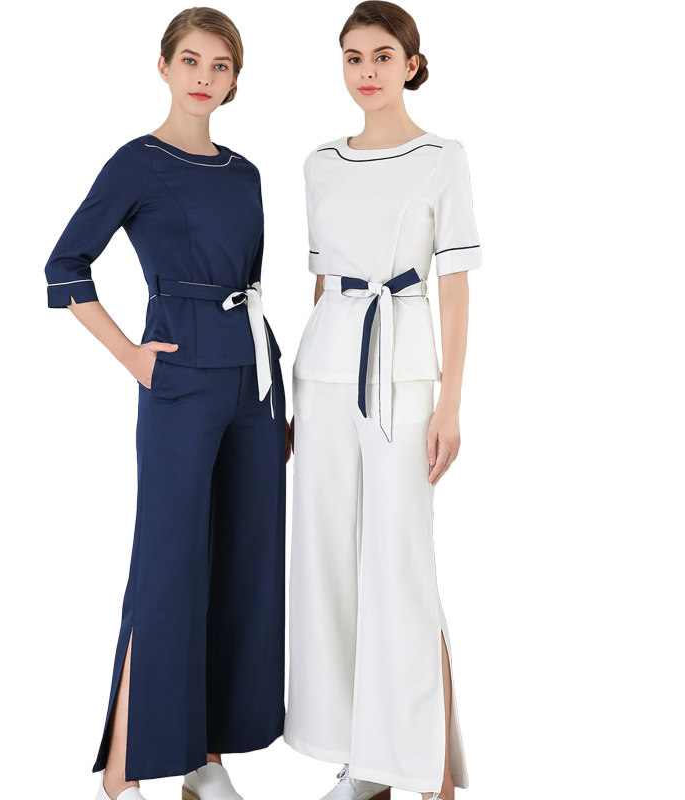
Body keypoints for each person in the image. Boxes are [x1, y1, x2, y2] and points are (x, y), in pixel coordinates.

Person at [42, 8, 288, 800]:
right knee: (168, 564)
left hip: (254, 381)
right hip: (178, 377)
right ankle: (124, 767)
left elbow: (252, 283)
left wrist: (276, 394)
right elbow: (65, 266)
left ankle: (204, 757)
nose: (204, 78)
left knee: (242, 562)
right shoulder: (137, 163)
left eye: (220, 66)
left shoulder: (246, 172)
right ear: (163, 67)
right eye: (191, 61)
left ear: (235, 80)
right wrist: (131, 357)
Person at [283, 3, 481, 799]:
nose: (366, 71)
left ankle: (428, 771)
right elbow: (321, 284)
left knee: (401, 566)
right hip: (323, 379)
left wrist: (450, 404)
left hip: (402, 379)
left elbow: (454, 289)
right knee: (328, 564)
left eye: (382, 55)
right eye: (353, 56)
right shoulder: (319, 162)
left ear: (411, 64)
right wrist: (295, 401)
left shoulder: (443, 157)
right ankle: (362, 761)